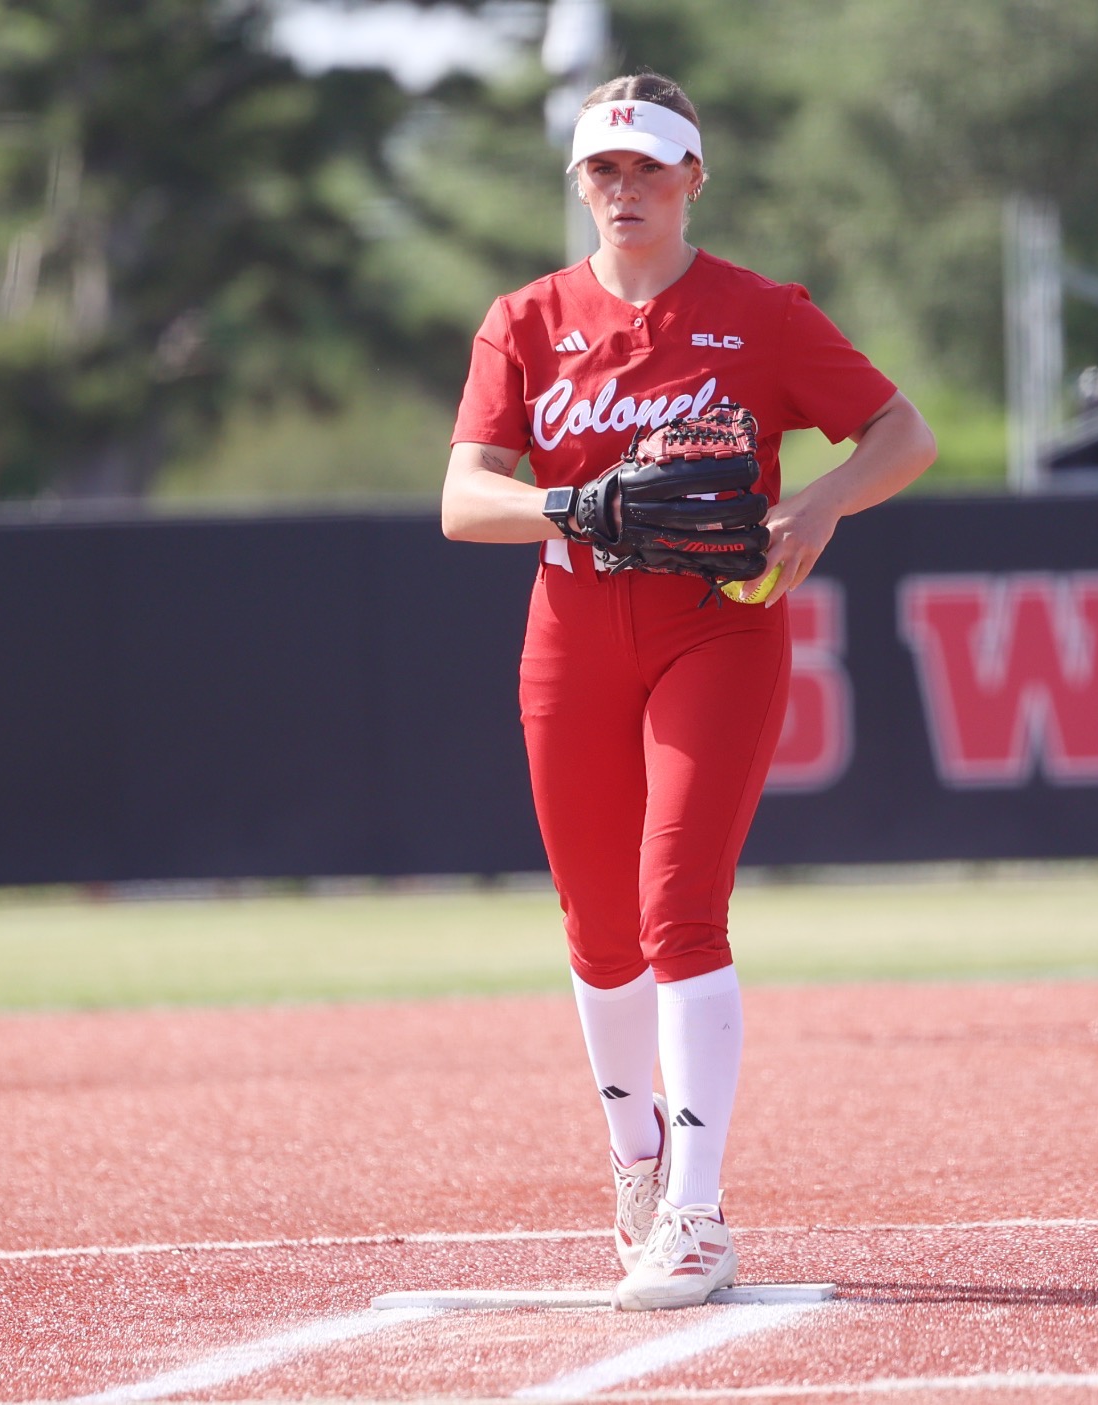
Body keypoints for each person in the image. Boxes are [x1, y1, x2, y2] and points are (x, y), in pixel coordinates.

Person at [441, 73, 936, 1310]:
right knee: (598, 927)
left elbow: (902, 434)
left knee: (678, 907)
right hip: (570, 623)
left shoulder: (759, 315)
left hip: (714, 623)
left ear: (693, 178)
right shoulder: (526, 319)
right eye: (604, 170)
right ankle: (637, 1160)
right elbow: (463, 498)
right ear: (580, 184)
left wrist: (817, 505)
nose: (626, 189)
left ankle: (699, 1214)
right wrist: (574, 504)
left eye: (649, 168)